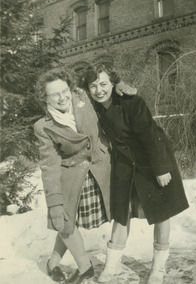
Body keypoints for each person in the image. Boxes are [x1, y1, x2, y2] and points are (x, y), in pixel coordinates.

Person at [81, 65, 189, 284]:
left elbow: (150, 135)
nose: (99, 90)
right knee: (121, 213)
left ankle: (158, 269)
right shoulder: (95, 105)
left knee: (160, 212)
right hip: (123, 163)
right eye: (93, 86)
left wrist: (161, 168)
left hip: (151, 159)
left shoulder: (131, 102)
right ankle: (112, 267)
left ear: (113, 84)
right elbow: (73, 88)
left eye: (104, 84)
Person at [34, 68, 136, 284]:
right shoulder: (44, 127)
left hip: (101, 167)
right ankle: (85, 267)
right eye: (54, 94)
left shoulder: (83, 97)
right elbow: (49, 166)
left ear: (70, 89)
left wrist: (119, 86)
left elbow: (102, 89)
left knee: (114, 213)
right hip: (72, 175)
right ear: (45, 98)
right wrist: (54, 203)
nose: (62, 98)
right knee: (64, 219)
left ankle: (52, 263)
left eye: (64, 91)